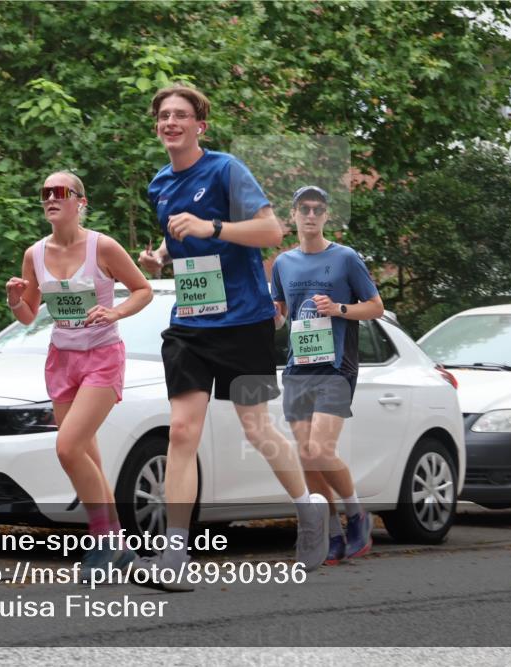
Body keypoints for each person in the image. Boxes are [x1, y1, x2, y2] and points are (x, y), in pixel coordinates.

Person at [138, 84, 329, 589]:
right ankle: (175, 557)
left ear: (200, 125)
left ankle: (309, 510)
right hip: (191, 325)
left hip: (244, 320)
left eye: (181, 115)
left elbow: (271, 233)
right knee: (182, 431)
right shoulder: (159, 183)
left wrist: (211, 227)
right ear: (157, 125)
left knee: (256, 428)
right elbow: (179, 231)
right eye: (164, 116)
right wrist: (162, 254)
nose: (171, 122)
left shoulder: (226, 170)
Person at [6, 170, 153, 577]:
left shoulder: (102, 247)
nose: (51, 198)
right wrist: (15, 300)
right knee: (86, 455)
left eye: (60, 192)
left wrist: (116, 310)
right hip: (62, 360)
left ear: (80, 202)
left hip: (103, 357)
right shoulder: (35, 253)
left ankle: (103, 541)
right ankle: (119, 547)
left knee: (68, 448)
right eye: (45, 193)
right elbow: (28, 315)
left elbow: (143, 289)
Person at [270, 186, 384, 564]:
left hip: (336, 365)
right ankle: (332, 534)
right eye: (304, 208)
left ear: (326, 216)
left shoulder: (345, 258)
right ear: (294, 214)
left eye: (318, 209)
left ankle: (357, 516)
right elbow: (280, 312)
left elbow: (375, 308)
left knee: (320, 449)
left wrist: (338, 308)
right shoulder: (284, 263)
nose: (311, 215)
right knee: (306, 456)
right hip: (297, 368)